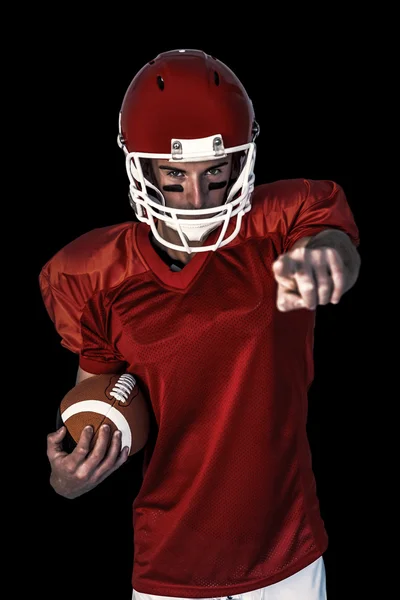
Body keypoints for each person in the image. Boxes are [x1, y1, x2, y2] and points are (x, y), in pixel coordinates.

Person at [39, 48, 361, 600]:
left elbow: (334, 239)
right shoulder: (91, 274)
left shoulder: (279, 223)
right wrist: (69, 476)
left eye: (215, 172)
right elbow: (99, 399)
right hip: (171, 560)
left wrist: (329, 258)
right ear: (141, 167)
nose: (197, 198)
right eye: (174, 174)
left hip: (287, 554)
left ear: (241, 161)